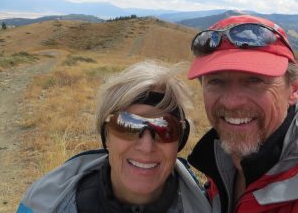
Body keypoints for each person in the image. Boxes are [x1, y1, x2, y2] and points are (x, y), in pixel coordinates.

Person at [17, 60, 211, 213]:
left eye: (165, 129)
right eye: (127, 125)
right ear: (106, 136)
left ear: (180, 140)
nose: (146, 146)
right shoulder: (43, 205)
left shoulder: (211, 207)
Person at [186, 14, 298, 213]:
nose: (232, 102)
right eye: (216, 81)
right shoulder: (221, 165)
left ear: (293, 89)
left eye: (254, 80)